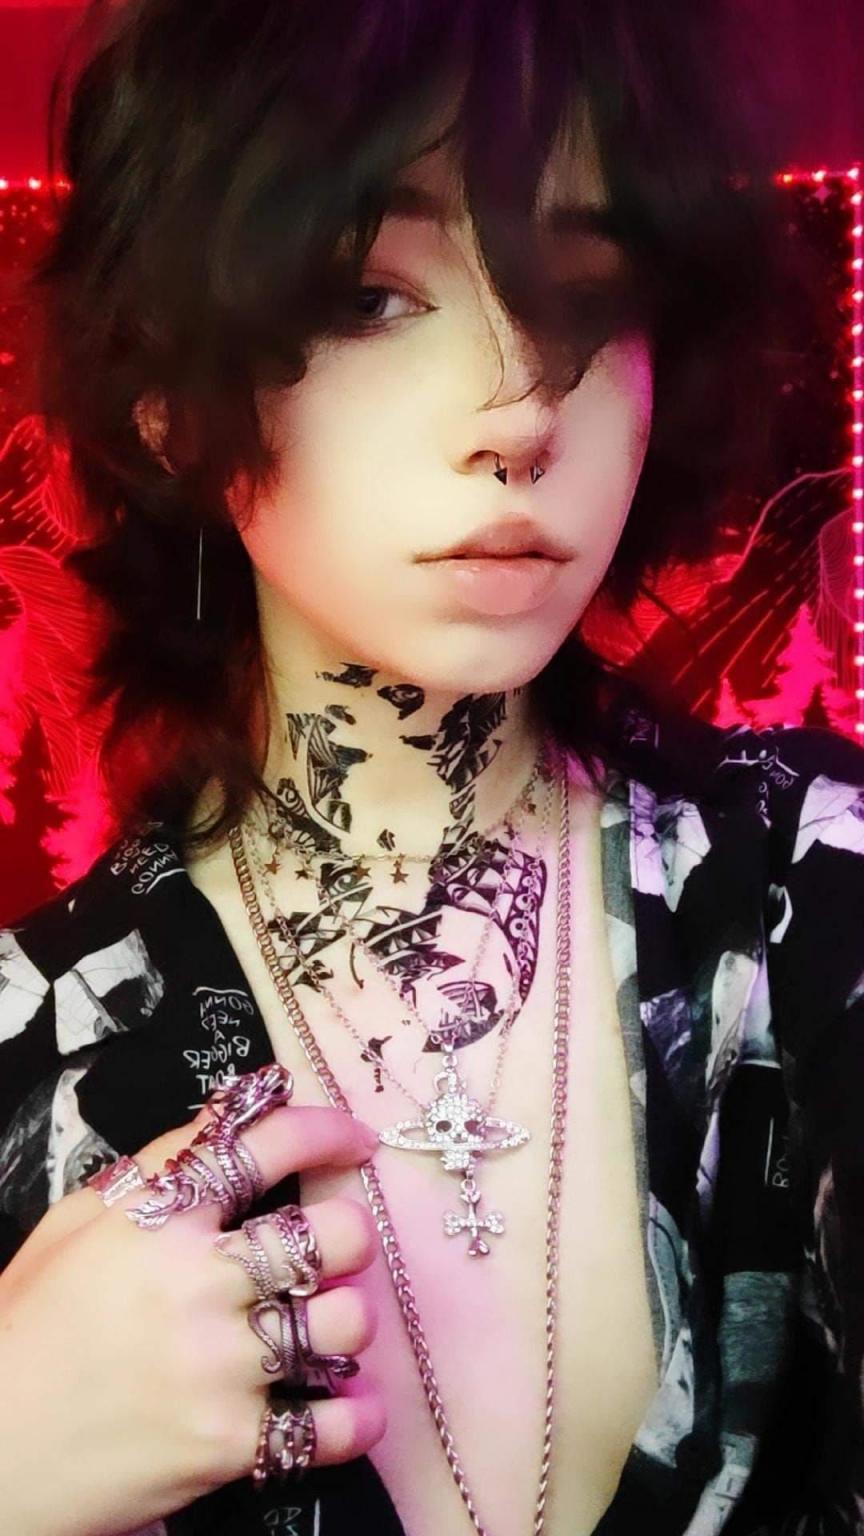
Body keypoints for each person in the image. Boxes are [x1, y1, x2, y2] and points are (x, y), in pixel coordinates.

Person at [1, 0, 863, 1532]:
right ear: (168, 397)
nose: (520, 412)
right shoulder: (28, 1048)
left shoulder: (823, 892)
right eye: (368, 297)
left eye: (588, 297)